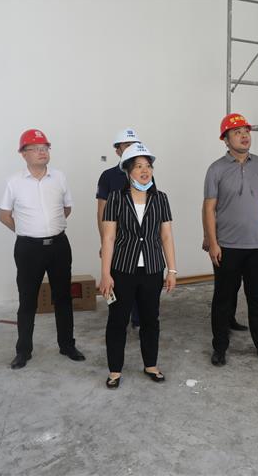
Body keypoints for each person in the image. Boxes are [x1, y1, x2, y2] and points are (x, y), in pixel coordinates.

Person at [0, 128, 86, 370]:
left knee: (63, 297)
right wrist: (26, 230)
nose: (42, 152)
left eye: (45, 148)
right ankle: (23, 351)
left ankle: (67, 345)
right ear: (23, 154)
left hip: (59, 246)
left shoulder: (59, 177)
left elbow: (67, 208)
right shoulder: (14, 181)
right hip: (29, 249)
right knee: (28, 300)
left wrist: (51, 226)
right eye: (36, 148)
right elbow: (4, 215)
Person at [202, 113, 258, 367]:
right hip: (227, 246)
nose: (244, 136)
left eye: (246, 131)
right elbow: (209, 208)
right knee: (223, 299)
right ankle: (220, 348)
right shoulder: (216, 169)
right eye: (237, 132)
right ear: (225, 140)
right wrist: (213, 243)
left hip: (257, 246)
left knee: (256, 298)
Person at [99, 142, 177, 389]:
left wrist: (172, 270)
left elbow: (166, 236)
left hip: (152, 270)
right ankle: (114, 370)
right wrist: (105, 273)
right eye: (139, 166)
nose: (145, 171)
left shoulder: (161, 199)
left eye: (148, 166)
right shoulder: (116, 198)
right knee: (118, 320)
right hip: (122, 270)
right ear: (128, 171)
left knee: (150, 319)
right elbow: (109, 238)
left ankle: (150, 364)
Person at [96, 128, 142, 328]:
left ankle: (138, 319)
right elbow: (102, 211)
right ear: (118, 150)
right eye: (127, 145)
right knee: (117, 283)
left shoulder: (144, 173)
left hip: (139, 239)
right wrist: (104, 242)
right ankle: (118, 320)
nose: (131, 149)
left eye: (134, 145)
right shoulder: (108, 176)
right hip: (117, 240)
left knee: (140, 280)